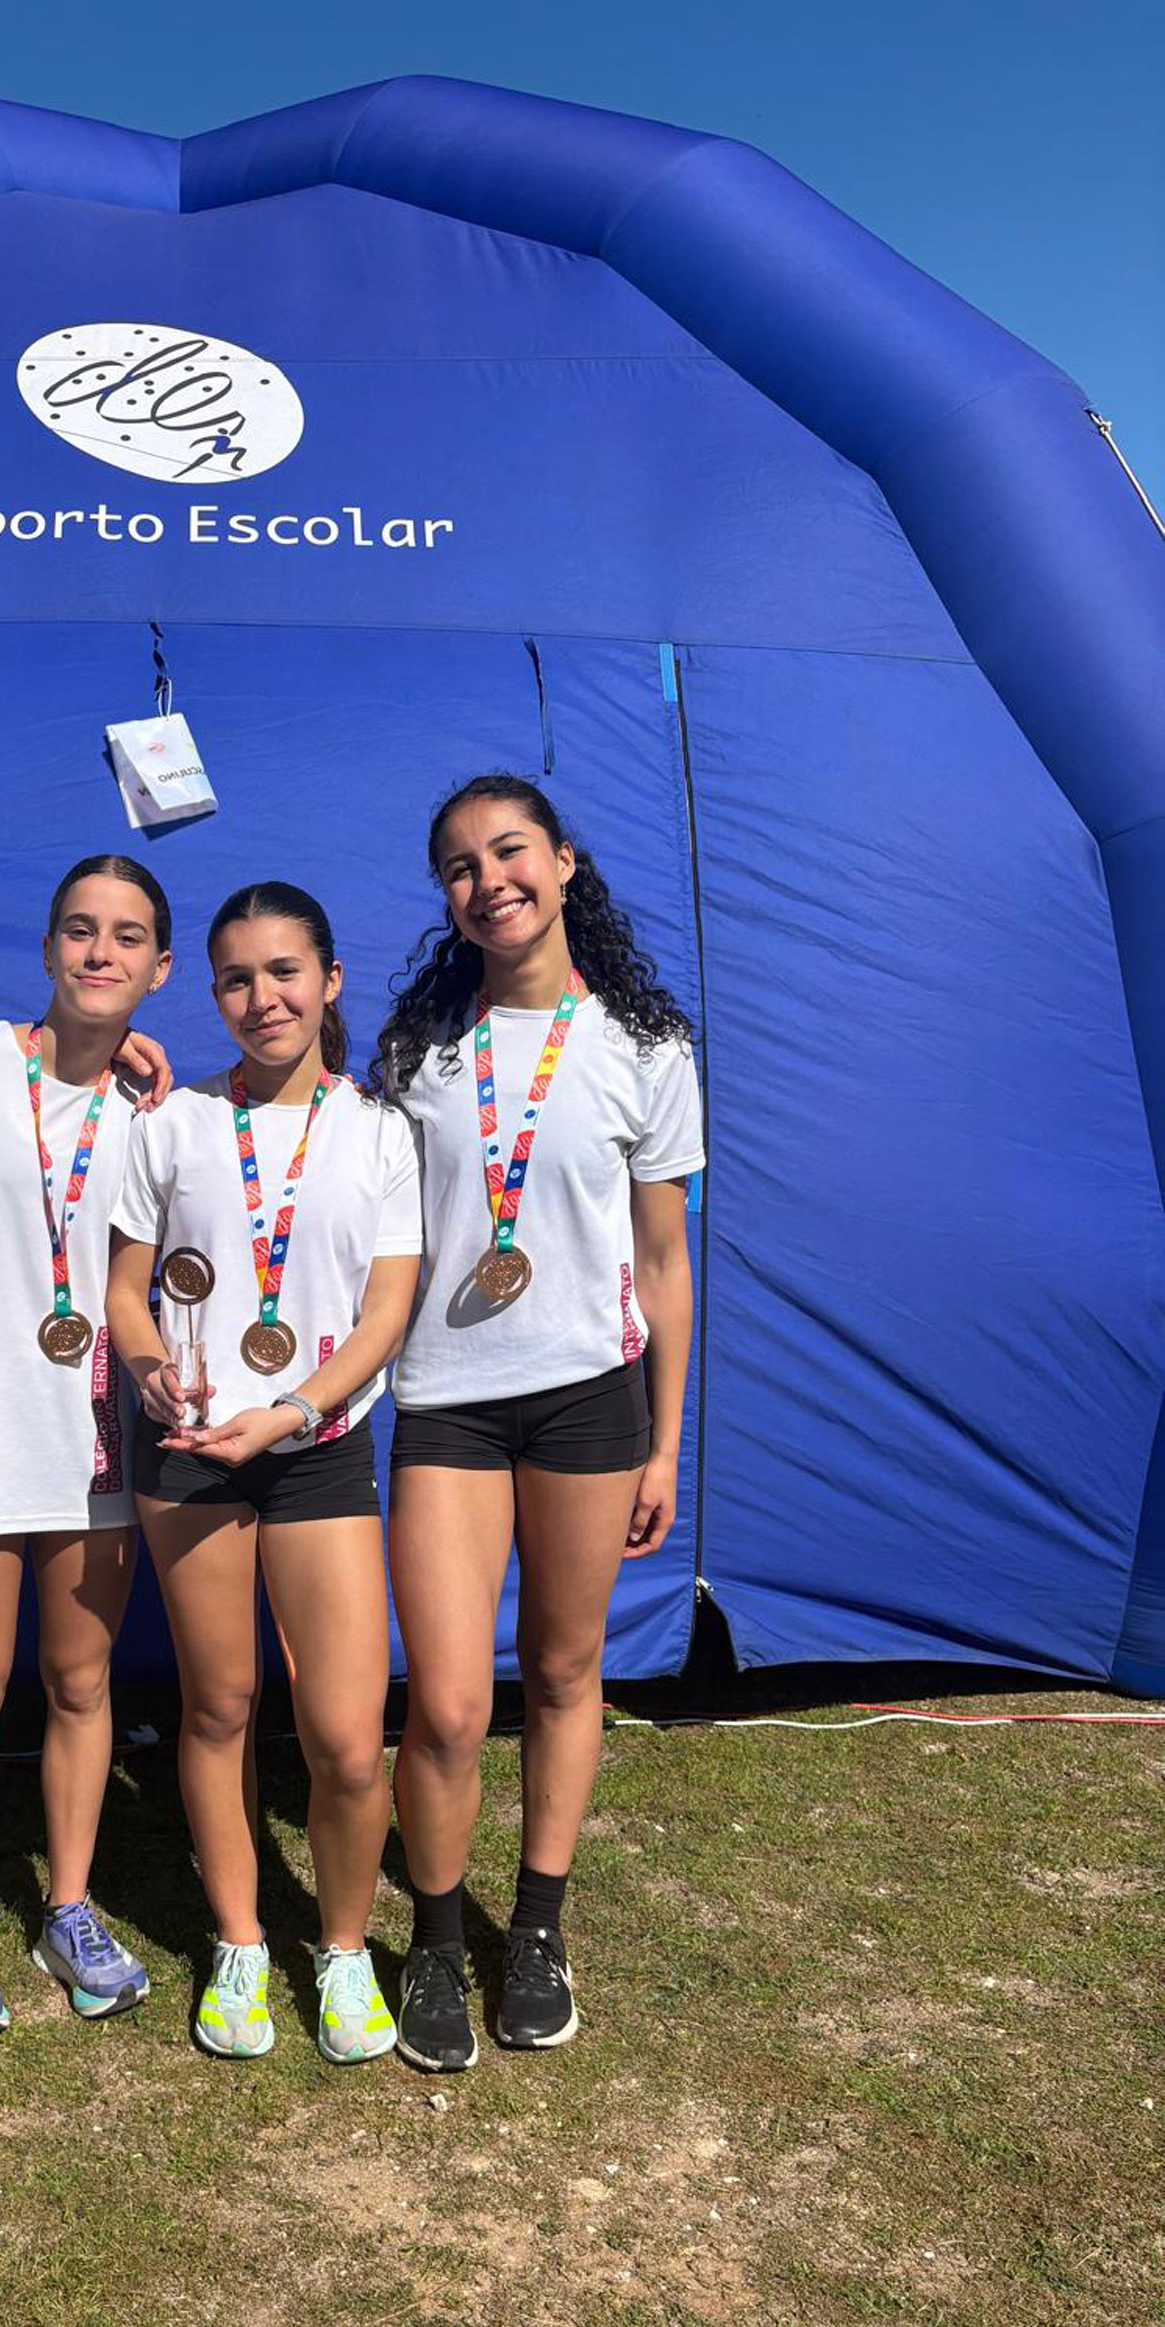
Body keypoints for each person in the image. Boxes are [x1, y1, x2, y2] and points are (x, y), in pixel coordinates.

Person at [374, 773, 703, 2074]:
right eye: (458, 866)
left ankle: (538, 1930)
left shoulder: (645, 1049)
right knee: (450, 1706)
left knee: (565, 1674)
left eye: (507, 851)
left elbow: (663, 1264)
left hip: (587, 1402)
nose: (487, 881)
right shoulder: (420, 1051)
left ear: (563, 862)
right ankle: (435, 1940)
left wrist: (664, 1442)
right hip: (447, 1403)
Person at [109, 881, 422, 2064]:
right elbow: (127, 1294)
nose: (262, 997)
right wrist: (151, 1373)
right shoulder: (173, 1124)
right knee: (219, 1704)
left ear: (330, 980)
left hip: (315, 1449)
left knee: (344, 1736)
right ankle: (240, 1940)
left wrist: (291, 1409)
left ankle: (340, 1948)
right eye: (237, 978)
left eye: (285, 971)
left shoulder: (380, 1131)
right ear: (212, 991)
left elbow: (384, 1314)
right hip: (190, 1452)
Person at [0, 857, 174, 2036]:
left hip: (92, 1445)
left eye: (126, 937)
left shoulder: (156, 1117)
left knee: (80, 1684)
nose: (99, 952)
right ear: (47, 946)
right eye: (79, 929)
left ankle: (68, 1905)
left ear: (159, 968)